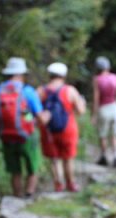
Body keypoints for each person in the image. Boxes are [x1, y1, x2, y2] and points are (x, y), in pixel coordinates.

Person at [0, 57, 47, 198]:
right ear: (21, 74)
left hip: (6, 137)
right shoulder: (28, 92)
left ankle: (17, 197)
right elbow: (40, 118)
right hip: (27, 137)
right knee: (33, 168)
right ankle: (29, 195)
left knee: (15, 171)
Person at [38, 62, 87, 192]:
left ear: (50, 75)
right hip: (68, 129)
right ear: (63, 75)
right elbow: (81, 111)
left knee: (54, 159)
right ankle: (71, 184)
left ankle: (58, 184)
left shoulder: (41, 91)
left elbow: (35, 111)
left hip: (48, 130)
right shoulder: (70, 90)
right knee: (68, 158)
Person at [91, 56, 116, 167]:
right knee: (115, 134)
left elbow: (96, 99)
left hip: (103, 109)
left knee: (103, 134)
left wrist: (94, 115)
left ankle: (104, 156)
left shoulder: (97, 79)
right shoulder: (115, 77)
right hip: (115, 107)